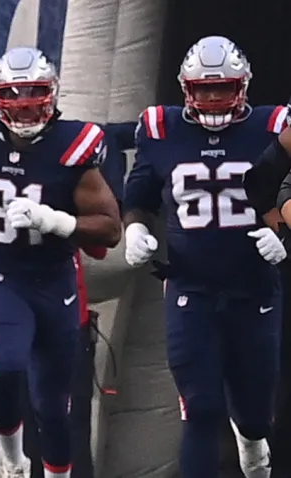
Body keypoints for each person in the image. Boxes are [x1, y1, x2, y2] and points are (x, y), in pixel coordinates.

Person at [0, 47, 121, 478]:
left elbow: (110, 228)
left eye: (35, 95)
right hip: (4, 274)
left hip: (55, 277)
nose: (25, 107)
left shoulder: (74, 143)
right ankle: (12, 460)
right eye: (15, 96)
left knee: (53, 404)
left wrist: (57, 220)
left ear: (53, 94)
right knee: (4, 372)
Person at [123, 36, 286, 478]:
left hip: (255, 288)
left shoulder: (274, 126)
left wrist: (285, 233)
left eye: (223, 88)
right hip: (189, 288)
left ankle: (252, 440)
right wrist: (135, 225)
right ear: (185, 89)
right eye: (203, 89)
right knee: (201, 408)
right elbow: (139, 190)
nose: (213, 99)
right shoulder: (161, 128)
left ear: (244, 86)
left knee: (253, 413)